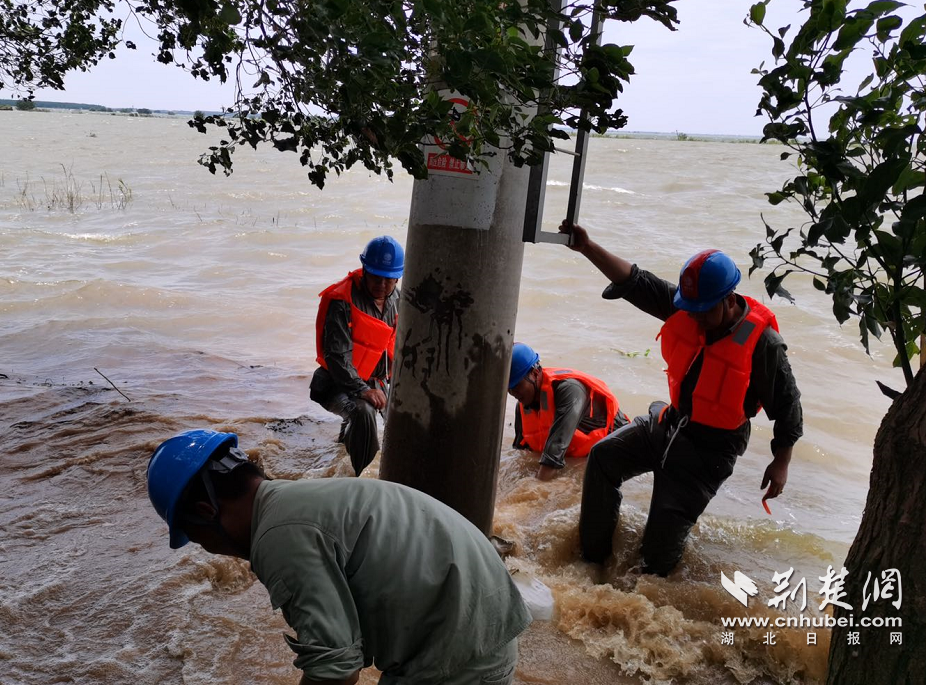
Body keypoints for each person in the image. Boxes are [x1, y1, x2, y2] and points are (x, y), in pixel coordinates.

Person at [147, 429, 532, 685]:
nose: (209, 549)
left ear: (205, 511)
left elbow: (335, 667)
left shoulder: (277, 536)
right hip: (482, 625)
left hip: (461, 651)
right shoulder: (293, 501)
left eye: (195, 538)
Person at [559, 221, 803, 576]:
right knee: (603, 458)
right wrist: (587, 247)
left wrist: (781, 462)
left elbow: (789, 405)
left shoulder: (763, 345)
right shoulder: (688, 308)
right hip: (670, 423)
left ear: (729, 299)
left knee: (657, 560)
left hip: (710, 452)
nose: (696, 318)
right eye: (692, 309)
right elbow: (636, 282)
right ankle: (591, 562)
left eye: (704, 310)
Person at [310, 236, 403, 476]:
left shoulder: (397, 299)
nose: (381, 285)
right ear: (364, 270)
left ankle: (344, 454)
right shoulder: (342, 300)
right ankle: (360, 478)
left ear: (397, 277)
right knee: (363, 412)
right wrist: (362, 390)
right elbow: (336, 355)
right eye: (375, 277)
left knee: (405, 418)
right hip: (337, 382)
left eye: (388, 279)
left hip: (379, 381)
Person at [508, 342, 628, 481]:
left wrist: (530, 494)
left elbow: (554, 452)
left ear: (535, 373)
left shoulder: (570, 390)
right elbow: (521, 454)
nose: (512, 392)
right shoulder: (523, 404)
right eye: (508, 387)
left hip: (616, 454)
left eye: (516, 386)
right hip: (576, 458)